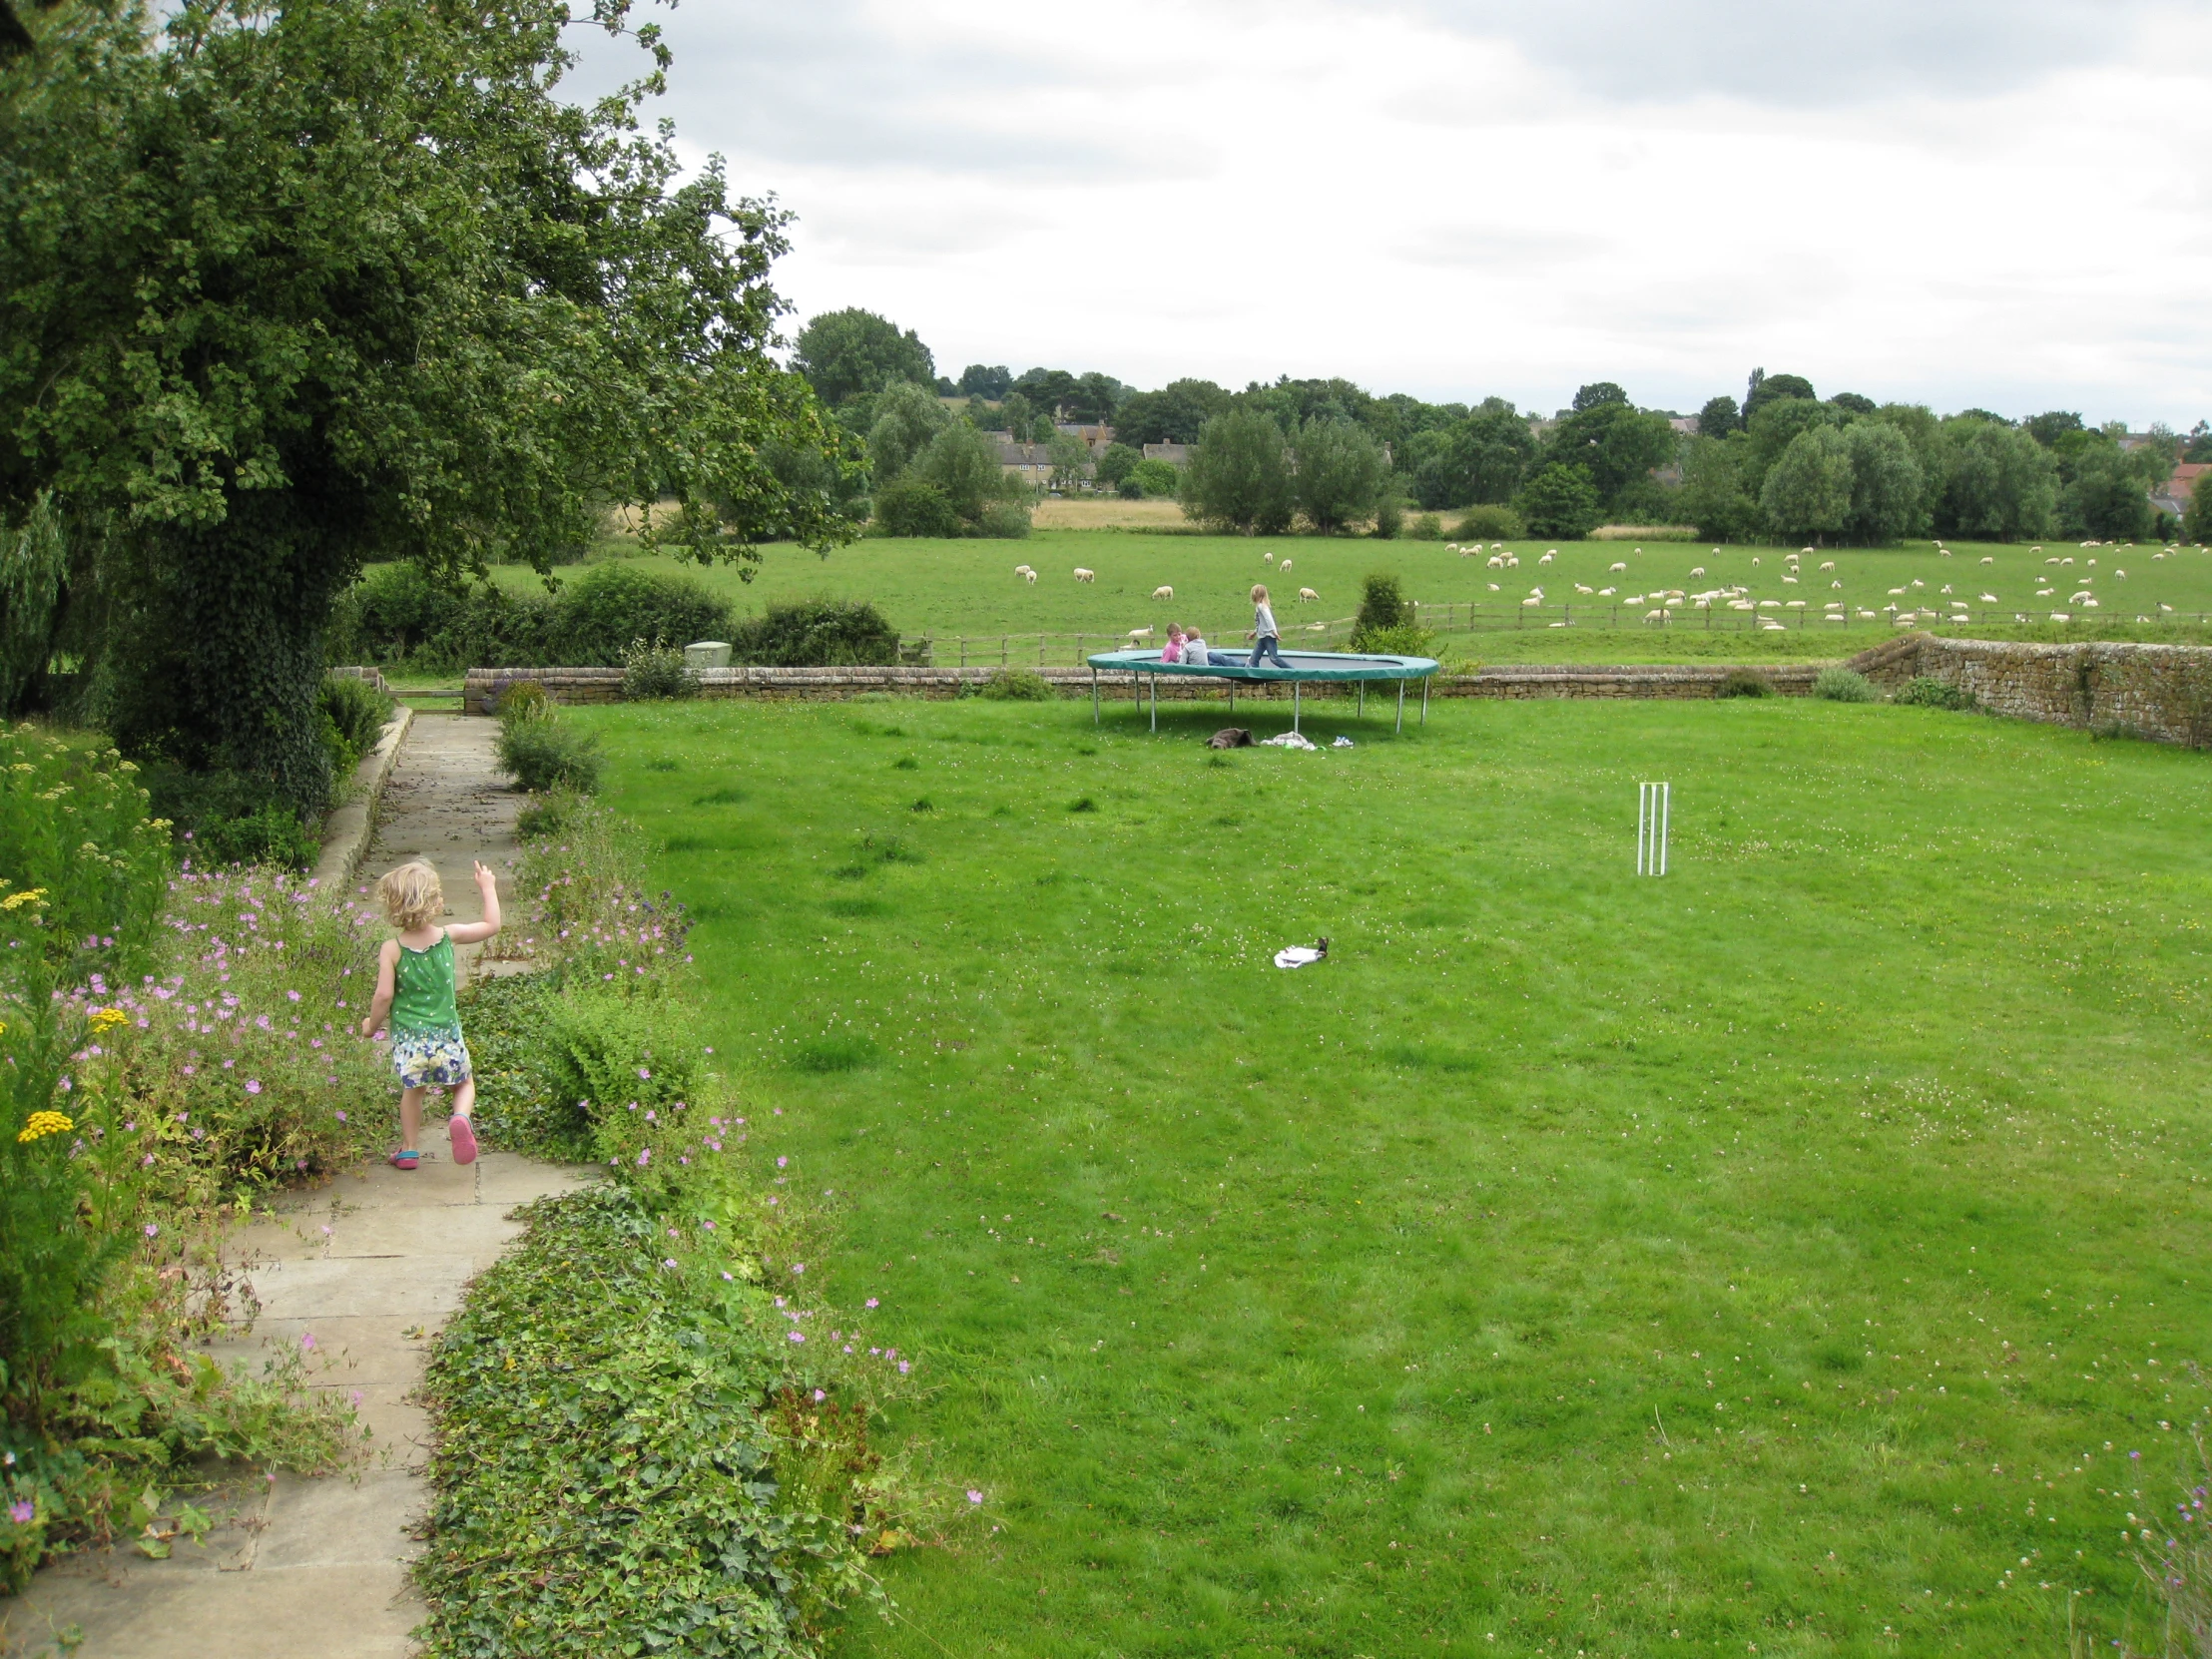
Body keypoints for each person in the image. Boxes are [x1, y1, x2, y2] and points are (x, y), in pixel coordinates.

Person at [359, 859, 501, 1170]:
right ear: (435, 902)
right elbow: (491, 926)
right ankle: (460, 1117)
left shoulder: (392, 949)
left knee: (413, 1092)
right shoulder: (448, 937)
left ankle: (409, 1150)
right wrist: (488, 888)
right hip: (446, 1034)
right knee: (463, 1084)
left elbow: (383, 995)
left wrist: (371, 1026)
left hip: (410, 1040)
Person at [1247, 584, 1289, 669]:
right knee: (1253, 660)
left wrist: (1274, 633)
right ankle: (1255, 678)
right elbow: (1261, 623)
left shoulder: (1261, 606)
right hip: (1262, 637)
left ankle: (1292, 672)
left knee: (1274, 658)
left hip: (1268, 636)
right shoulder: (1260, 606)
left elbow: (1269, 620)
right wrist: (1254, 633)